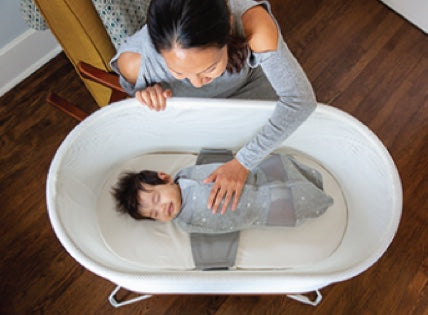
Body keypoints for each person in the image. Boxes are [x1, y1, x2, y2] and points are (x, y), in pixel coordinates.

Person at [110, 0, 317, 215]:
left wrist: (242, 163)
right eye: (179, 73)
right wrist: (146, 94)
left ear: (227, 30)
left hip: (251, 92)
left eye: (210, 68)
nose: (197, 83)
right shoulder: (134, 64)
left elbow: (300, 101)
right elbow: (139, 108)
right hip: (202, 117)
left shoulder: (253, 24)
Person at [111, 154, 333, 234]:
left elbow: (220, 170)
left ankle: (308, 177)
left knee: (278, 164)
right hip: (259, 211)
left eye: (157, 200)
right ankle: (319, 199)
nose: (160, 210)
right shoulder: (184, 224)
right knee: (294, 205)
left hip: (254, 179)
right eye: (154, 215)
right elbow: (216, 228)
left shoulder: (187, 176)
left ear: (164, 177)